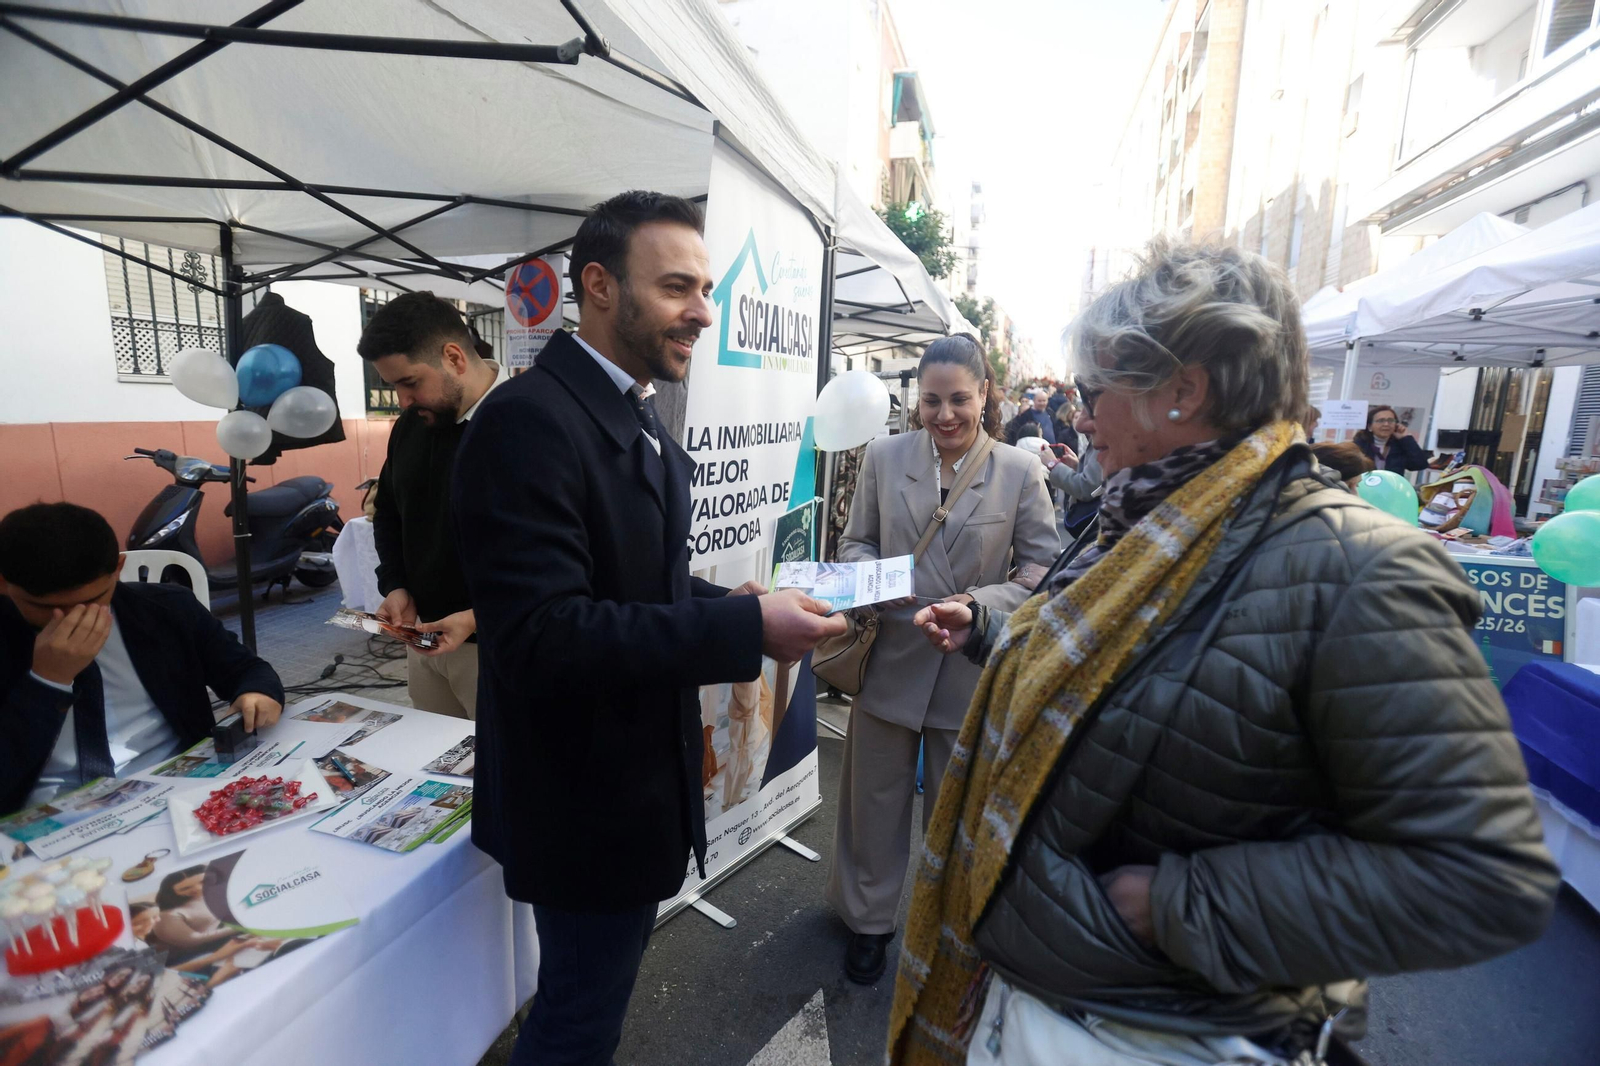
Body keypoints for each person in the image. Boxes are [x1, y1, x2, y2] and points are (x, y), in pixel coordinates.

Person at [897, 241, 1558, 1066]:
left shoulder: (1360, 569)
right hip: (1051, 1005)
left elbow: (1481, 876)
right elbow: (1115, 662)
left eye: (1097, 391)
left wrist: (1180, 904)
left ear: (1184, 391)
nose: (1081, 415)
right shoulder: (1141, 520)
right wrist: (994, 633)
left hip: (1171, 1034)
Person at [451, 189, 846, 1066]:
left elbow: (644, 587)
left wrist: (735, 609)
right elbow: (546, 638)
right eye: (678, 288)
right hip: (580, 805)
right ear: (598, 285)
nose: (703, 312)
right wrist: (744, 636)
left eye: (706, 290)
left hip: (630, 794)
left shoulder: (630, 413)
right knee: (575, 1023)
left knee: (588, 1012)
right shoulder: (527, 423)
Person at [828, 334, 1060, 986]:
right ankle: (867, 922)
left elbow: (1042, 568)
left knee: (956, 816)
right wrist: (877, 579)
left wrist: (979, 605)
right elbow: (854, 546)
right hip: (891, 653)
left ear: (986, 393)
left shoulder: (1020, 470)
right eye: (932, 401)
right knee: (872, 803)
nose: (946, 414)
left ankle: (948, 931)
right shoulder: (883, 455)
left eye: (960, 398)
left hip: (971, 665)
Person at [0, 503, 284, 814]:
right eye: (45, 608)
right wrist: (47, 681)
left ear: (118, 569)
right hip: (47, 812)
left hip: (174, 787)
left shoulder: (166, 610)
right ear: (4, 584)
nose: (73, 618)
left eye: (92, 600)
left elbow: (246, 669)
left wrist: (257, 691)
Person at [359, 291, 506, 720]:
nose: (403, 401)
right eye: (394, 387)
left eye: (410, 383)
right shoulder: (411, 427)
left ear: (454, 357)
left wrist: (477, 618)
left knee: (506, 779)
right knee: (438, 778)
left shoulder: (523, 423)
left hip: (499, 648)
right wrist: (397, 584)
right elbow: (388, 512)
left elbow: (558, 555)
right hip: (424, 642)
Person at [1353, 404, 1431, 472]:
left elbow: (1420, 465)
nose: (1386, 424)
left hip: (1393, 487)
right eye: (1381, 421)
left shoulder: (1400, 446)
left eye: (1390, 420)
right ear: (1369, 426)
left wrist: (1405, 439)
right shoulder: (1358, 446)